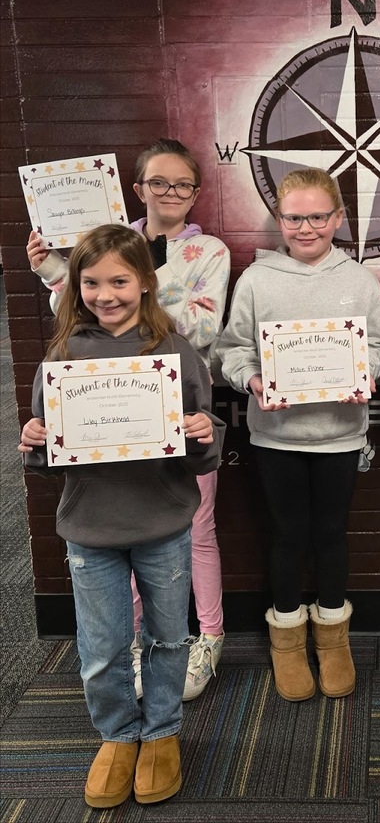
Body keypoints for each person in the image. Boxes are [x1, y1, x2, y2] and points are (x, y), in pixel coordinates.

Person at [19, 225, 225, 808]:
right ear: (75, 285)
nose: (105, 294)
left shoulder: (173, 351)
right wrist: (35, 441)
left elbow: (201, 446)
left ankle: (160, 732)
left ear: (145, 283)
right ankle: (116, 736)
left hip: (161, 523)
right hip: (91, 529)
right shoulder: (61, 355)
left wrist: (204, 435)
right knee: (104, 644)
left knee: (166, 635)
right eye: (90, 282)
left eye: (119, 280)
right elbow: (49, 457)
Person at [27, 139, 231, 701]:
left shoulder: (207, 250)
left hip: (178, 408)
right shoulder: (113, 242)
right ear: (136, 189)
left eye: (181, 184)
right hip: (101, 413)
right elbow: (79, 308)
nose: (169, 193)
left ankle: (207, 635)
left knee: (192, 527)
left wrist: (144, 278)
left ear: (194, 191)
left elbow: (201, 326)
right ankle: (139, 639)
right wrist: (53, 269)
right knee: (122, 525)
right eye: (157, 183)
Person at [216, 168, 380, 701]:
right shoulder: (256, 280)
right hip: (276, 435)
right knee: (288, 536)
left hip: (339, 433)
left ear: (339, 217)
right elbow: (233, 349)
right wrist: (250, 378)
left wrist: (370, 374)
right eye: (294, 217)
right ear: (279, 219)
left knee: (332, 534)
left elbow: (379, 346)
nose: (306, 227)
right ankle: (287, 639)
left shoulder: (358, 279)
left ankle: (333, 638)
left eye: (318, 216)